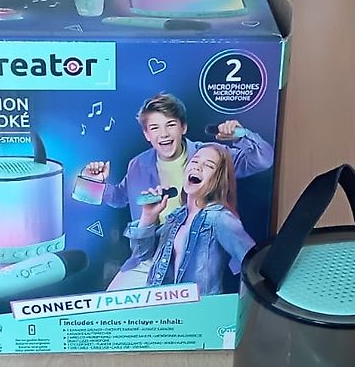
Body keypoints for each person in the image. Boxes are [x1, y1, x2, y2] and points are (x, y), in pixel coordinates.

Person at [81, 93, 273, 225]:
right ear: (147, 134)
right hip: (151, 254)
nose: (164, 134)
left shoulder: (210, 155)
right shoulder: (138, 164)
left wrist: (241, 135)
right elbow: (119, 198)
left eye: (170, 125)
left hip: (198, 255)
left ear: (183, 127)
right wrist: (92, 183)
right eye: (155, 128)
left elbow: (264, 160)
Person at [111, 144, 254, 295]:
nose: (197, 167)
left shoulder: (219, 217)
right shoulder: (176, 218)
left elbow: (253, 262)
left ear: (218, 179)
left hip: (198, 307)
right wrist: (148, 216)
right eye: (194, 161)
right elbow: (141, 255)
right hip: (164, 306)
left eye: (208, 165)